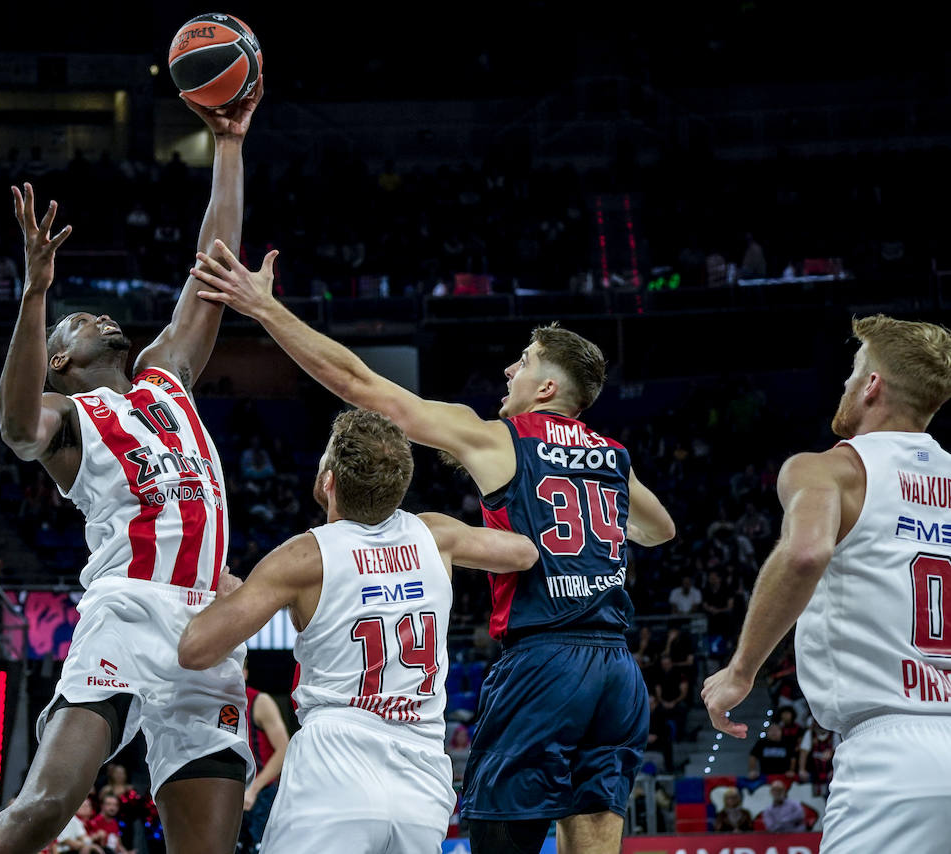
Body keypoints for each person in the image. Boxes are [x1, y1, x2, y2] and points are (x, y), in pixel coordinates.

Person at [190, 249, 675, 854]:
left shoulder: (499, 438)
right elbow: (659, 531)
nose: (508, 372)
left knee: (500, 832)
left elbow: (362, 386)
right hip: (617, 667)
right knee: (595, 822)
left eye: (521, 364)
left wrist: (266, 309)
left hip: (545, 657)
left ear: (547, 387)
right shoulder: (613, 458)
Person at [0, 80, 264, 854]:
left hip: (209, 622)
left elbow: (213, 271)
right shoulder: (68, 418)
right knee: (46, 807)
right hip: (130, 612)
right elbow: (13, 424)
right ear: (61, 357)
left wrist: (228, 145)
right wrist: (36, 294)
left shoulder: (166, 373)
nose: (102, 315)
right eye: (81, 319)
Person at [178, 409, 540, 851]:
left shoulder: (303, 557)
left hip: (335, 762)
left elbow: (195, 649)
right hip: (424, 774)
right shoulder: (437, 534)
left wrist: (228, 595)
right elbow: (524, 552)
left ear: (328, 481)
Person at [703, 315, 951, 852]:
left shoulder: (828, 471)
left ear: (872, 385)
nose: (844, 384)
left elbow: (806, 553)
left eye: (853, 371)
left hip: (891, 753)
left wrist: (740, 671)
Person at [239, 661, 289, 853]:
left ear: (244, 673)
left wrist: (254, 789)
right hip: (230, 792)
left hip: (261, 793)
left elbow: (283, 749)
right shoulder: (214, 704)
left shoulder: (260, 702)